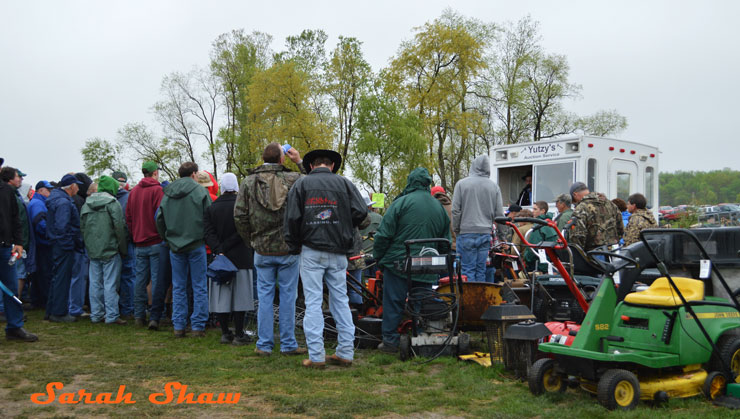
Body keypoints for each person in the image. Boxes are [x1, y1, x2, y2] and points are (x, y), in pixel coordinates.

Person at [284, 149, 368, 368]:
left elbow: (292, 218)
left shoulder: (300, 185)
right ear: (331, 165)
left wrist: (294, 245)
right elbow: (361, 212)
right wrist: (343, 226)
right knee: (341, 300)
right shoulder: (345, 184)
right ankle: (346, 353)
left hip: (311, 250)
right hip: (339, 251)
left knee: (313, 302)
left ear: (311, 166)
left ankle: (317, 356)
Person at [234, 143, 306, 357]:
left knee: (264, 298)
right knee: (288, 297)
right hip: (288, 248)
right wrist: (300, 162)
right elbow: (314, 183)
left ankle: (264, 344)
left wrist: (251, 241)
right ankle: (288, 344)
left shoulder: (248, 182)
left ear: (263, 157)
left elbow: (239, 216)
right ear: (282, 159)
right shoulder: (294, 179)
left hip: (262, 249)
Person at [373, 167, 450, 353]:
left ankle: (390, 342)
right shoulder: (438, 207)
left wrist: (379, 258)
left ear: (410, 182)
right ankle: (421, 338)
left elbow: (383, 235)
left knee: (393, 301)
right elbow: (445, 241)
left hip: (399, 263)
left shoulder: (400, 203)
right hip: (427, 264)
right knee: (421, 301)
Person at [156, 162, 211, 337]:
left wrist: (167, 238)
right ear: (194, 174)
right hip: (196, 244)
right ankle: (198, 325)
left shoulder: (168, 193)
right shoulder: (201, 191)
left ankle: (178, 325)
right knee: (199, 285)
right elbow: (209, 216)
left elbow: (159, 218)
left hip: (175, 246)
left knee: (179, 286)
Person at [205, 173, 255, 346]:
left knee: (221, 297)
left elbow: (208, 232)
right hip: (241, 256)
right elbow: (244, 230)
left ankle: (225, 332)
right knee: (241, 297)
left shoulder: (212, 207)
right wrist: (226, 247)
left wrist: (219, 249)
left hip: (219, 258)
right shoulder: (242, 206)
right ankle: (240, 333)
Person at [80, 176, 128, 325]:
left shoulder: (86, 204)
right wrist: (123, 248)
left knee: (95, 283)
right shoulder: (113, 203)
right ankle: (112, 315)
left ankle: (96, 314)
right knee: (110, 284)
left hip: (93, 250)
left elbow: (83, 228)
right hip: (110, 249)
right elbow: (119, 228)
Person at [452, 155, 505, 282]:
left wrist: (457, 229)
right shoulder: (494, 187)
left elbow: (455, 210)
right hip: (485, 233)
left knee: (467, 270)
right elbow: (499, 214)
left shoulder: (461, 184)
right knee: (481, 270)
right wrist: (503, 236)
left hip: (465, 233)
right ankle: (480, 300)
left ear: (473, 166)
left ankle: (470, 300)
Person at [0, 166, 38, 342]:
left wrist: (19, 242)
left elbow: (16, 218)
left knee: (11, 288)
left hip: (5, 246)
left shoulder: (7, 190)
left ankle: (14, 327)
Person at [125, 161, 165, 327]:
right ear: (155, 173)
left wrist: (135, 233)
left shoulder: (133, 192)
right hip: (155, 240)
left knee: (140, 280)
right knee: (156, 281)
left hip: (139, 242)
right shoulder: (158, 190)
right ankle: (156, 315)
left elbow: (128, 217)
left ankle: (139, 315)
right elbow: (161, 216)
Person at [46, 174, 84, 322]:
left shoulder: (57, 199)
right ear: (71, 187)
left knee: (57, 277)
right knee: (62, 278)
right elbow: (63, 227)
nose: (78, 188)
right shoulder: (64, 203)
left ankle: (51, 310)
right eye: (77, 185)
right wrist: (69, 244)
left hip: (57, 243)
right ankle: (59, 312)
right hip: (63, 245)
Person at [567, 182, 624, 252]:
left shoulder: (581, 208)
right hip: (613, 251)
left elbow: (577, 236)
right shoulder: (611, 204)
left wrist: (581, 254)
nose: (576, 203)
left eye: (574, 201)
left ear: (575, 194)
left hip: (593, 253)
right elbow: (620, 228)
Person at [68, 172, 93, 318]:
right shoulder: (77, 201)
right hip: (77, 244)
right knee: (78, 276)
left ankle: (73, 305)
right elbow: (79, 225)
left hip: (72, 243)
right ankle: (75, 307)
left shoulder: (74, 199)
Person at [113, 170, 136, 320]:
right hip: (127, 243)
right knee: (128, 276)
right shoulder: (129, 198)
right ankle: (127, 308)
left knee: (110, 278)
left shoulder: (107, 199)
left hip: (111, 244)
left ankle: (112, 309)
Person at [28, 180, 53, 309]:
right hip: (42, 243)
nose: (50, 192)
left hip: (38, 243)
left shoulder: (37, 202)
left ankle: (36, 300)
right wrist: (51, 235)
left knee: (38, 275)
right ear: (41, 191)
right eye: (48, 190)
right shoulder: (38, 204)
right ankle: (46, 301)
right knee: (45, 273)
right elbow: (40, 224)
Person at [523, 201, 558, 272]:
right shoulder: (550, 225)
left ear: (543, 211)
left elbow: (533, 247)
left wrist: (526, 258)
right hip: (551, 263)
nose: (533, 211)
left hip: (539, 265)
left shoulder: (538, 226)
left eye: (535, 209)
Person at [359, 196, 383, 279]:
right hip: (375, 254)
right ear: (370, 206)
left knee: (362, 281)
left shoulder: (356, 218)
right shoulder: (379, 217)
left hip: (361, 256)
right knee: (375, 281)